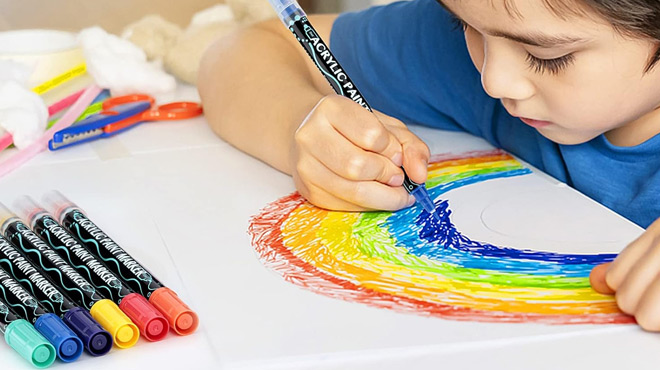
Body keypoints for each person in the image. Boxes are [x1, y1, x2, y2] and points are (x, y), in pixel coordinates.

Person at [198, 0, 660, 330]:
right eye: (465, 27)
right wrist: (298, 130)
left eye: (547, 57)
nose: (493, 79)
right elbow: (246, 48)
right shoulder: (497, 21)